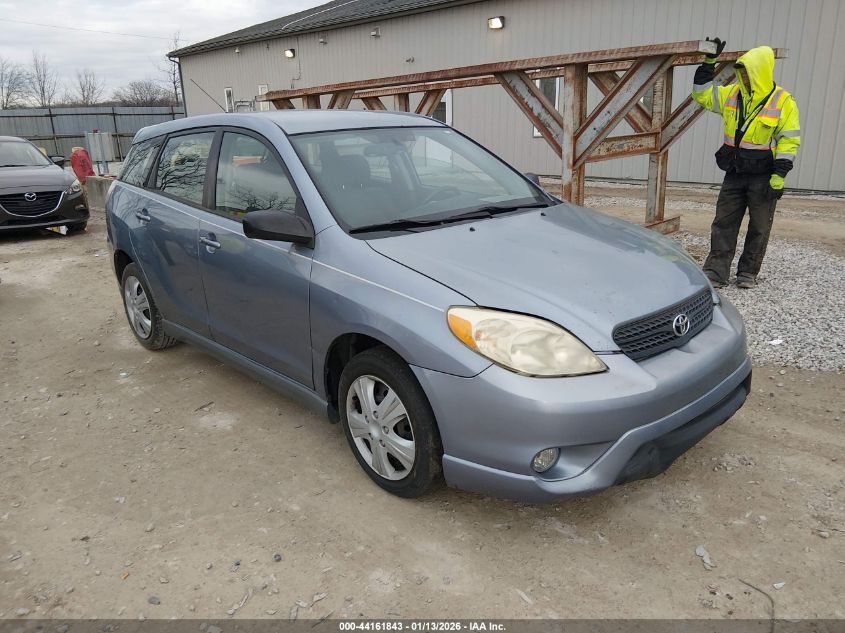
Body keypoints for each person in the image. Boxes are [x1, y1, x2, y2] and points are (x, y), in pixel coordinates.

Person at [692, 39, 800, 288]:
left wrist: (780, 175)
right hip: (735, 171)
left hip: (764, 175)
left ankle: (747, 273)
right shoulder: (732, 94)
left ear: (759, 71)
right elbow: (701, 94)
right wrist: (709, 63)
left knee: (759, 227)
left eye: (747, 72)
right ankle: (716, 273)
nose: (744, 77)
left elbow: (789, 141)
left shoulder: (783, 102)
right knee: (723, 222)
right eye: (741, 72)